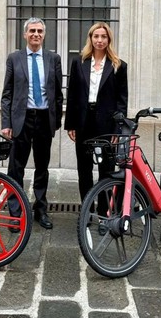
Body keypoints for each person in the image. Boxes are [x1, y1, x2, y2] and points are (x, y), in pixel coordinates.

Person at [1, 17, 63, 230]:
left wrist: (56, 120)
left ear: (44, 35)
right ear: (25, 34)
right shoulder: (14, 58)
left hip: (44, 119)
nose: (36, 34)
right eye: (32, 31)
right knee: (15, 168)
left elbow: (58, 93)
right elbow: (7, 94)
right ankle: (15, 213)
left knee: (42, 167)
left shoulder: (53, 58)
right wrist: (6, 122)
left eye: (39, 31)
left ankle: (41, 210)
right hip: (21, 119)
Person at [65, 22, 128, 202]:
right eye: (96, 36)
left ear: (109, 40)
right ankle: (86, 208)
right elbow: (72, 94)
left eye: (103, 37)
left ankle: (103, 210)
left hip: (106, 124)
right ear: (91, 39)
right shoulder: (79, 62)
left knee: (106, 169)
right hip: (83, 122)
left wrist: (118, 129)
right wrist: (70, 124)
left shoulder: (118, 66)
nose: (100, 40)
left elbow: (122, 101)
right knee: (84, 168)